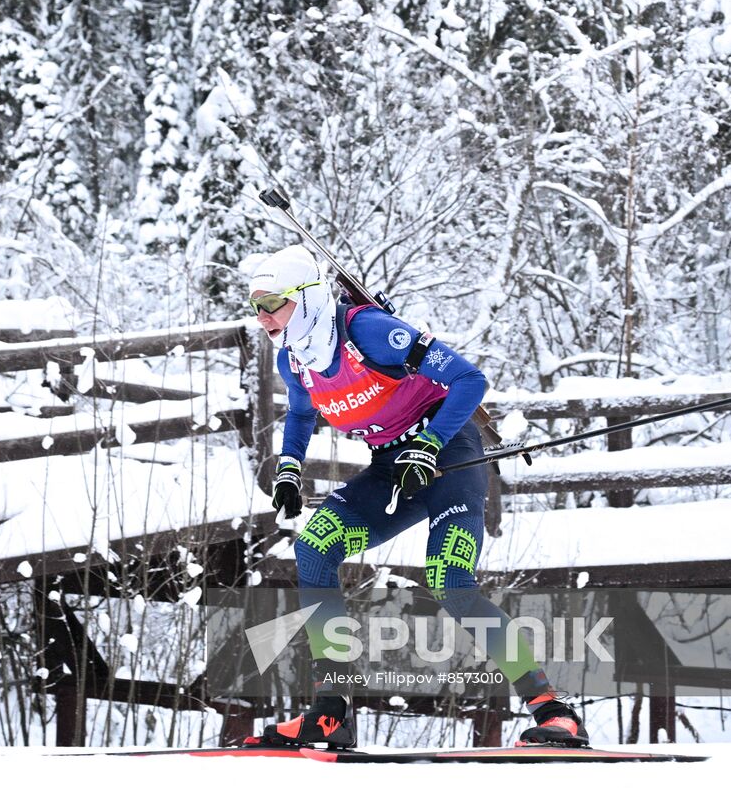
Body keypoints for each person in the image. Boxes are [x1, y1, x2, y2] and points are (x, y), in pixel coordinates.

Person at [246, 245, 587, 749]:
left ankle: (553, 709)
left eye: (272, 302)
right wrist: (290, 469)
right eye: (255, 306)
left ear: (308, 296)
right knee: (314, 547)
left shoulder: (367, 331)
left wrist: (428, 445)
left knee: (450, 582)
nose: (263, 316)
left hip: (449, 453)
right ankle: (330, 710)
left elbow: (470, 380)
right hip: (393, 468)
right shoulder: (294, 358)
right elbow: (300, 415)